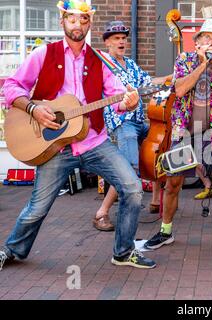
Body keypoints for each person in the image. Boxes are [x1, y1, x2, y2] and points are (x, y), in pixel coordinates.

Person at [0, 0, 156, 270]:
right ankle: (12, 250)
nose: (77, 25)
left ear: (89, 23)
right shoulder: (43, 54)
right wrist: (34, 109)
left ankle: (123, 251)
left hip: (94, 141)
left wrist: (128, 102)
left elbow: (116, 95)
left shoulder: (100, 59)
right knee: (37, 208)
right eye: (72, 19)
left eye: (83, 20)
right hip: (56, 146)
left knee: (132, 188)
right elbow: (12, 87)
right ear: (62, 22)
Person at [144, 19, 212, 265]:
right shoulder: (184, 61)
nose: (209, 42)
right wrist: (201, 65)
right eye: (205, 38)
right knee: (173, 184)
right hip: (184, 133)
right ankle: (165, 231)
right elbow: (179, 90)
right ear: (197, 41)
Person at [93, 20, 167, 231]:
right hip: (122, 123)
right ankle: (102, 213)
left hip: (137, 121)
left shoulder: (131, 64)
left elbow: (147, 83)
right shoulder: (102, 64)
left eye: (124, 38)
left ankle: (154, 200)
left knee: (156, 153)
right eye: (116, 38)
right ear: (107, 43)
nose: (121, 41)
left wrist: (171, 78)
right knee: (129, 169)